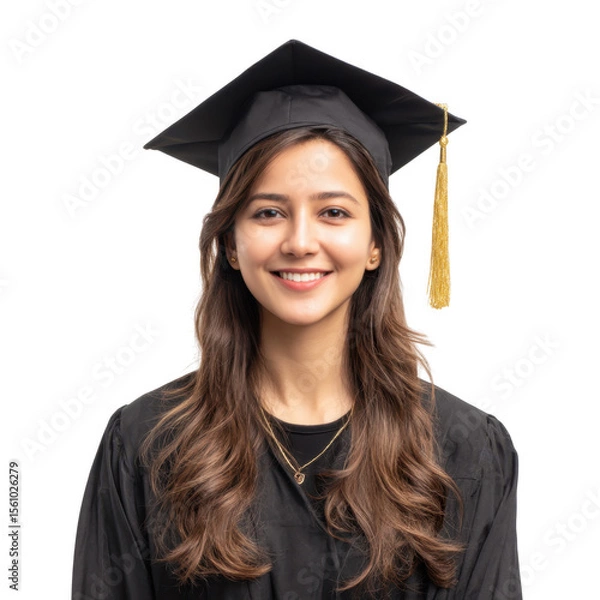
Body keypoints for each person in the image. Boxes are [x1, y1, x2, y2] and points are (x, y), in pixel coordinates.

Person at [71, 40, 522, 599]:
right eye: (268, 213)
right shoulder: (146, 444)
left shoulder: (462, 450)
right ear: (231, 244)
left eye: (333, 212)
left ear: (377, 242)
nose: (301, 241)